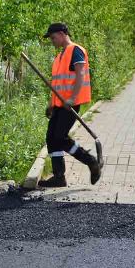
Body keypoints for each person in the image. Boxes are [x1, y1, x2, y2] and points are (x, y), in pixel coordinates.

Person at [38, 22, 101, 188]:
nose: (52, 41)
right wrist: (51, 103)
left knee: (59, 137)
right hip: (59, 104)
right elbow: (56, 84)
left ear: (61, 33)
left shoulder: (75, 50)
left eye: (53, 37)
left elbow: (80, 73)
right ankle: (59, 177)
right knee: (51, 138)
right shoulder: (59, 57)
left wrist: (72, 98)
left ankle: (91, 161)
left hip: (70, 105)